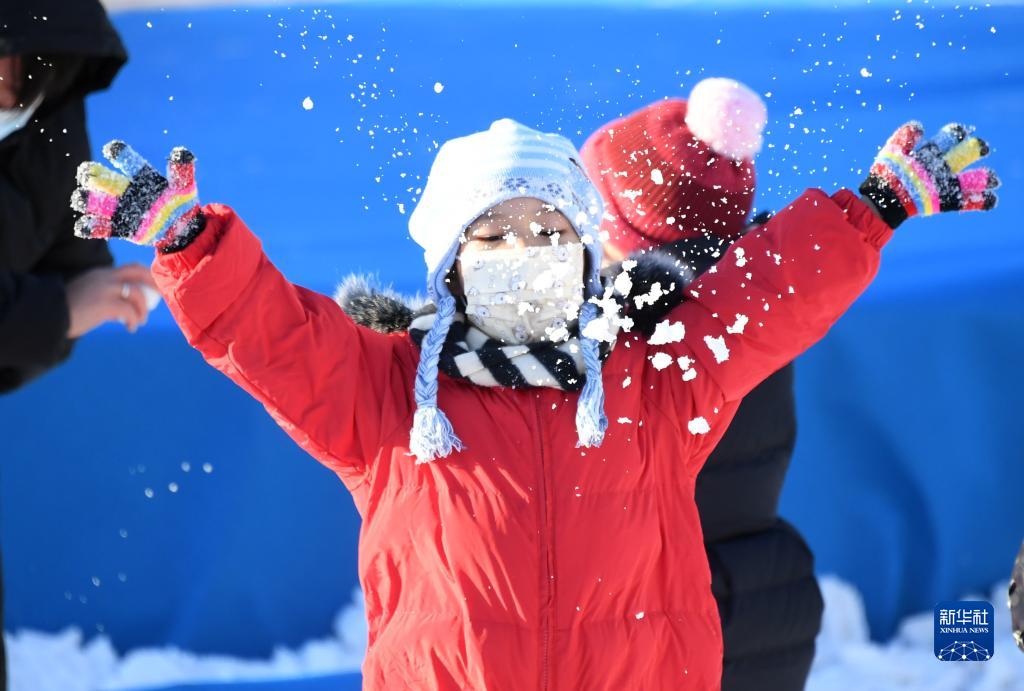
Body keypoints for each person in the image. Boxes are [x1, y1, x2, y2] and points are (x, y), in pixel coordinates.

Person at [70, 115, 997, 689]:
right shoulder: (384, 392)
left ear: (586, 253)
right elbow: (272, 334)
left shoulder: (654, 380)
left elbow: (762, 298)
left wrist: (876, 205)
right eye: (495, 233)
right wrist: (188, 240)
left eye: (550, 228)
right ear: (449, 265)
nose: (526, 250)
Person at [580, 78, 821, 690]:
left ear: (622, 233)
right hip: (768, 597)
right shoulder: (759, 303)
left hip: (664, 619)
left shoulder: (630, 338)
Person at [0, 1, 135, 685]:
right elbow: (62, 303)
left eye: (12, 59)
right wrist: (52, 313)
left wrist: (61, 313)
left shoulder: (47, 102)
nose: (3, 81)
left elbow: (76, 265)